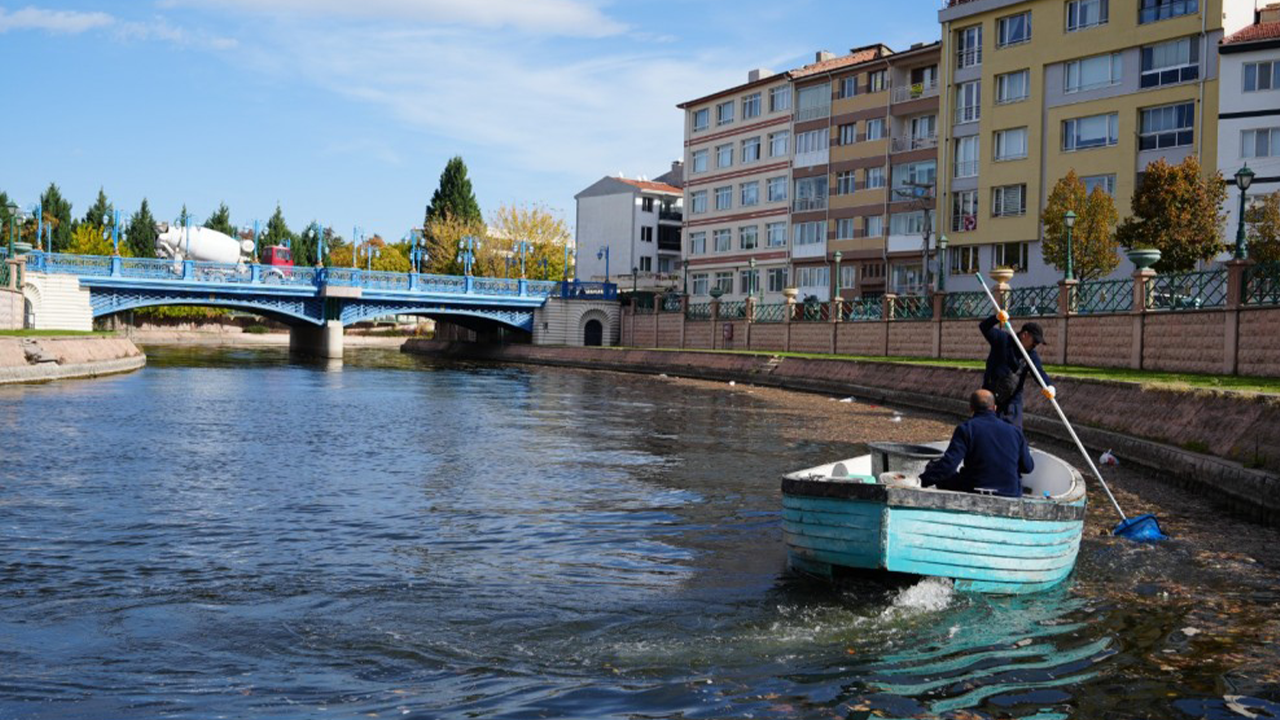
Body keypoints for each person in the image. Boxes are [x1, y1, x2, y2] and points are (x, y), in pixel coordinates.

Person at [920, 389, 1035, 498]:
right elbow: (1028, 467)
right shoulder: (1015, 431)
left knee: (935, 467)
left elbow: (949, 466)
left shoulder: (966, 429)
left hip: (974, 488)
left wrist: (921, 481)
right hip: (1010, 492)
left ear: (971, 408)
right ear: (994, 408)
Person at [980, 312, 1055, 429]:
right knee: (987, 431)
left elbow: (1039, 372)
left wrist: (1049, 386)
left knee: (1014, 432)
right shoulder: (1003, 340)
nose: (1036, 345)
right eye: (1034, 341)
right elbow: (984, 327)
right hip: (990, 396)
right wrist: (996, 318)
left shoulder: (1031, 355)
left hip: (1012, 401)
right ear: (1025, 335)